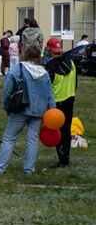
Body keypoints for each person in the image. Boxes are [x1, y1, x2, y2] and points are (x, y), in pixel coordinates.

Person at [0, 45, 55, 175]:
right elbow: (50, 95)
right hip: (39, 111)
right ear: (38, 57)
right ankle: (29, 169)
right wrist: (52, 112)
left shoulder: (18, 69)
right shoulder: (44, 73)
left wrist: (6, 106)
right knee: (32, 140)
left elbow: (7, 90)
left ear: (25, 54)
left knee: (9, 138)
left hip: (20, 108)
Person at [45, 37, 76, 169]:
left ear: (50, 50)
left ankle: (62, 160)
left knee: (58, 132)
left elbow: (47, 86)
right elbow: (75, 83)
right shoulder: (71, 63)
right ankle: (66, 157)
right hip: (70, 99)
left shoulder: (50, 66)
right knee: (67, 130)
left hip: (56, 103)